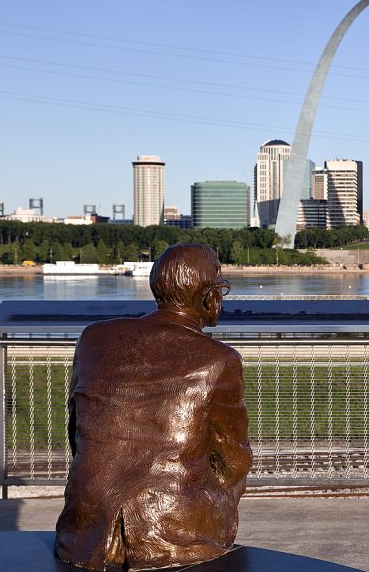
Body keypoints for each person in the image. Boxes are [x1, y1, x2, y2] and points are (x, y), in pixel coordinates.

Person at [55, 243, 252, 571]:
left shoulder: (93, 338)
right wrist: (210, 512)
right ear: (209, 297)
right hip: (176, 534)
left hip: (84, 533)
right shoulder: (220, 360)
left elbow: (78, 431)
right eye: (221, 288)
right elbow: (234, 461)